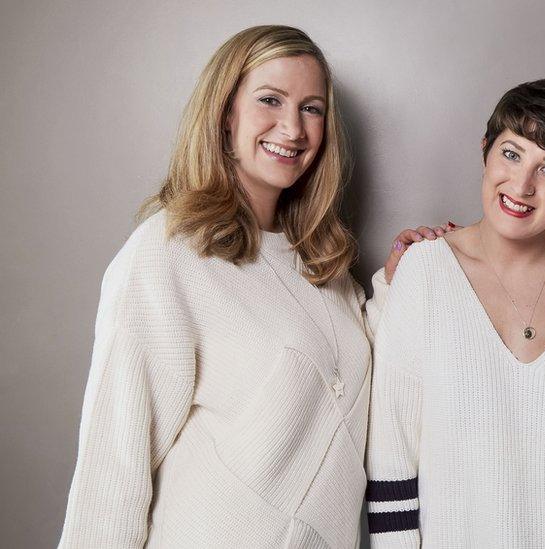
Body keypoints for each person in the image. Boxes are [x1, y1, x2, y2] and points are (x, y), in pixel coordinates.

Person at [59, 26, 373, 548]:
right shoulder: (168, 252)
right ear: (226, 114)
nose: (293, 128)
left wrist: (415, 269)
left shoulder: (327, 267)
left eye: (312, 108)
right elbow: (115, 459)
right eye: (270, 100)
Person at [365, 78, 545, 547]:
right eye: (511, 154)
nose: (523, 185)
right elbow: (391, 450)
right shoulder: (425, 272)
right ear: (486, 150)